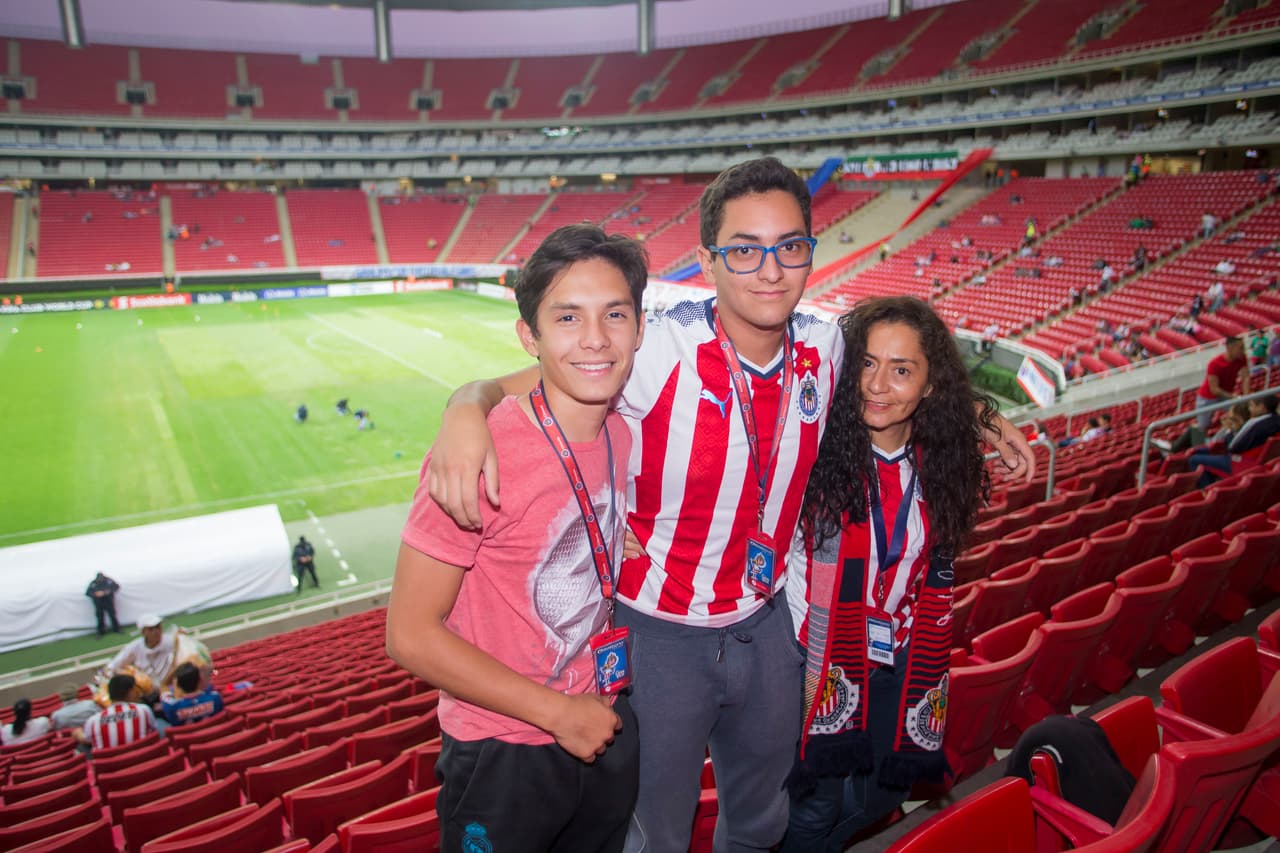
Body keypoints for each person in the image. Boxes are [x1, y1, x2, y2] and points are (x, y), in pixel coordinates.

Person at [424, 158, 1035, 853]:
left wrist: (984, 420)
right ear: (710, 261)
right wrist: (464, 406)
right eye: (745, 249)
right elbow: (523, 384)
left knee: (761, 818)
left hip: (766, 625)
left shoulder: (826, 345)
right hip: (659, 634)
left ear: (810, 252)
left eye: (789, 247)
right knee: (658, 832)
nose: (770, 270)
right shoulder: (661, 348)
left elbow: (909, 377)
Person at [387, 224, 646, 852]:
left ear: (640, 327)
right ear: (528, 335)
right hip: (505, 750)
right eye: (567, 317)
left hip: (605, 717)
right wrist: (558, 714)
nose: (594, 338)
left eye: (615, 315)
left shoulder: (620, 432)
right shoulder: (480, 456)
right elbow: (409, 634)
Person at [781, 297, 993, 851]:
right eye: (867, 364)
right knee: (814, 807)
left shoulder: (945, 464)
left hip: (898, 655)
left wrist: (989, 415)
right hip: (815, 653)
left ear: (930, 385)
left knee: (879, 797)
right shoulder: (809, 448)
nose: (877, 385)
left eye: (901, 370)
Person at [1190, 394, 1280, 487]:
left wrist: (1230, 430)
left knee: (1194, 459)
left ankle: (1207, 490)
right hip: (1259, 461)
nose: (1250, 409)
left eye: (1252, 406)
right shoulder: (1277, 420)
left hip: (1243, 463)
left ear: (1261, 407)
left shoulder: (1254, 423)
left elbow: (1233, 447)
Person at [78, 673, 156, 750]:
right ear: (130, 693)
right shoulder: (143, 711)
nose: (137, 693)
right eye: (134, 690)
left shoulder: (93, 722)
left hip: (111, 762)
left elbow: (87, 739)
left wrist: (78, 734)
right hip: (145, 760)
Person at [1195, 336, 1250, 430]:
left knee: (1241, 413)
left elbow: (1246, 377)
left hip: (1226, 395)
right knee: (1203, 426)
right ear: (1230, 348)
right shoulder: (1215, 364)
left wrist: (1246, 396)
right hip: (1208, 397)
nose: (1243, 350)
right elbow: (1214, 390)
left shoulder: (1241, 358)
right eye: (1240, 348)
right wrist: (1234, 397)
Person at [160, 662, 224, 727]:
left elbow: (164, 688)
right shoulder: (215, 698)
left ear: (178, 686)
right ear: (200, 679)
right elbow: (208, 684)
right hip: (216, 735)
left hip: (187, 736)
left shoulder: (171, 707)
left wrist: (175, 670)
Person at [86, 572, 121, 637]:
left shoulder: (108, 581)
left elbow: (116, 587)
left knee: (112, 615)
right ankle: (101, 631)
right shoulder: (93, 583)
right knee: (100, 617)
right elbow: (88, 592)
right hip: (98, 603)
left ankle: (116, 629)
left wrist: (105, 592)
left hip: (108, 601)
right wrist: (95, 594)